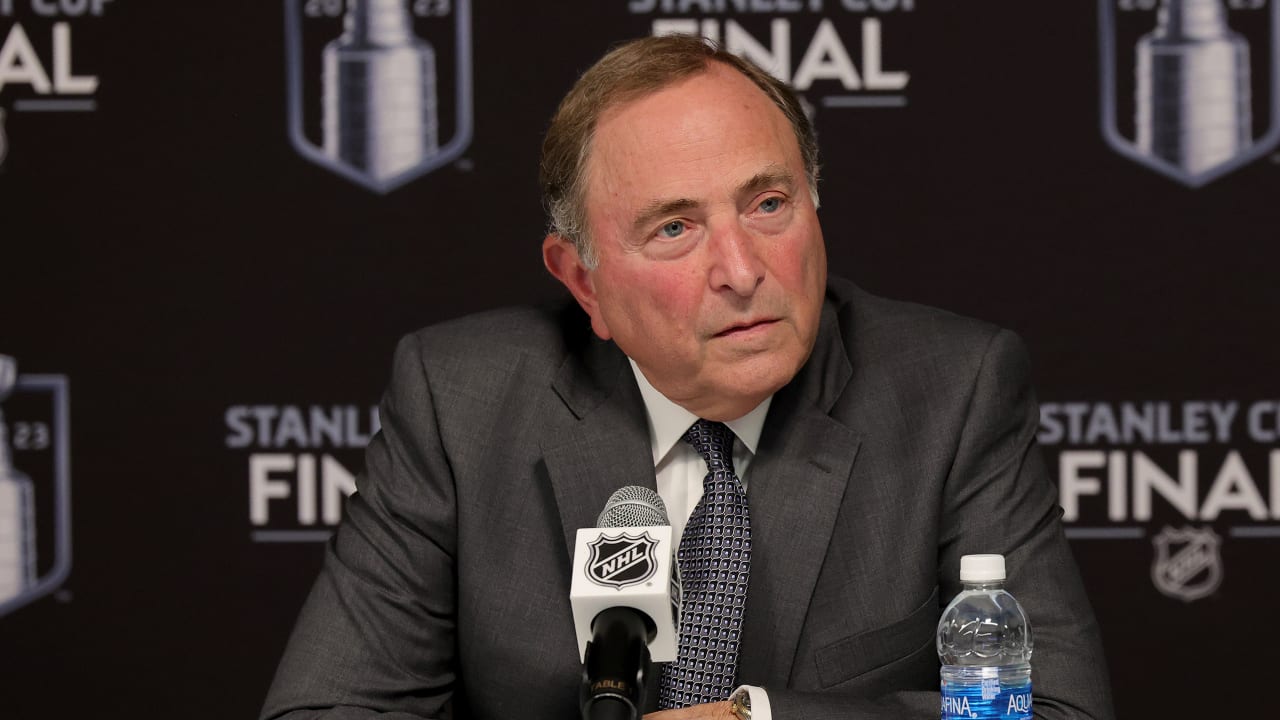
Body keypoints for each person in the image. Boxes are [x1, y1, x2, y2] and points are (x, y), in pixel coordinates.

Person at [261, 35, 1115, 720]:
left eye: (768, 204)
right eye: (674, 228)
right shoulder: (460, 402)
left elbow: (1052, 709)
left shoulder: (951, 391)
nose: (741, 269)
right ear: (583, 281)